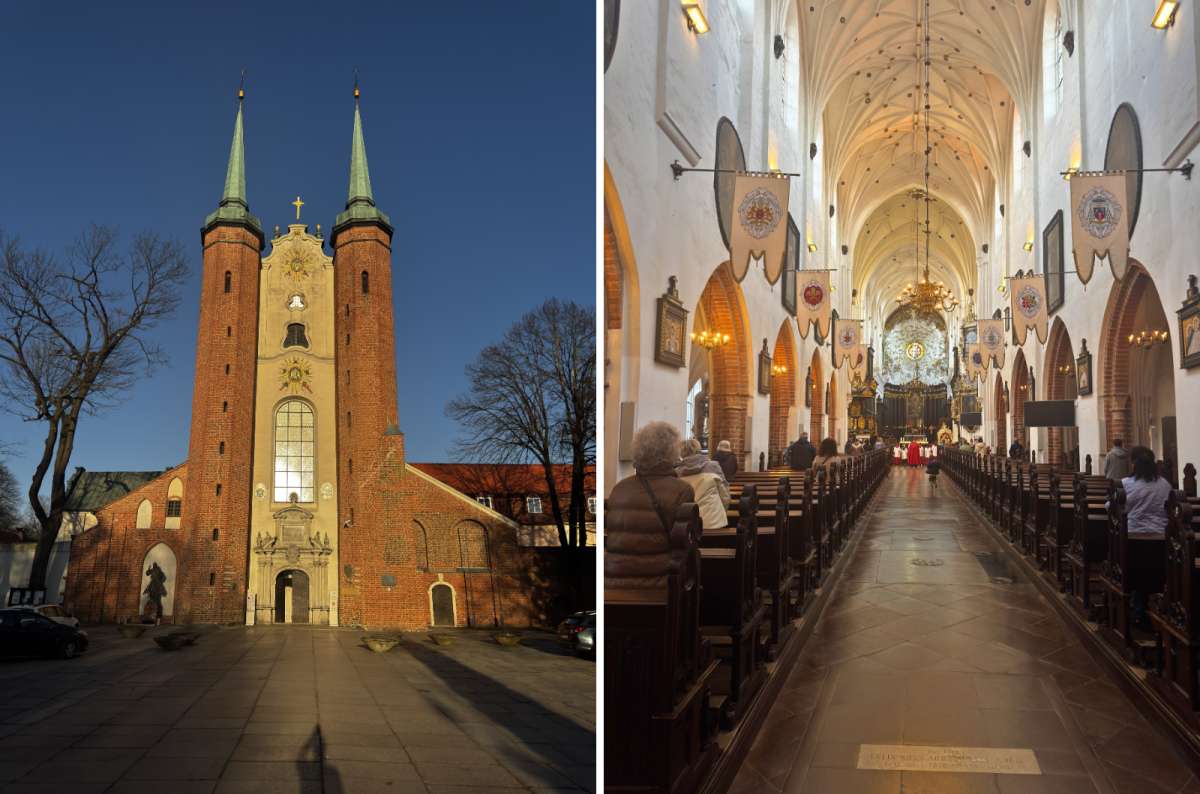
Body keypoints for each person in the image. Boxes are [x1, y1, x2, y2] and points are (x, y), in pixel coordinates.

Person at [604, 422, 694, 589]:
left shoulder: (619, 489)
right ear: (671, 452)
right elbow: (688, 544)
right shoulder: (681, 490)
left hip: (612, 582)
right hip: (658, 583)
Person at [1117, 446, 1174, 628]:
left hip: (1134, 539)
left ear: (1133, 464)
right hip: (1161, 540)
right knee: (1155, 573)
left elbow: (1112, 507)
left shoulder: (1126, 484)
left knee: (1136, 572)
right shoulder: (1165, 485)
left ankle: (1138, 609)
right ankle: (1155, 608)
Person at [677, 439, 730, 530]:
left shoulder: (677, 472)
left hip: (687, 524)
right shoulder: (713, 466)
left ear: (681, 453)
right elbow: (725, 495)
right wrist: (722, 512)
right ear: (699, 450)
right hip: (713, 521)